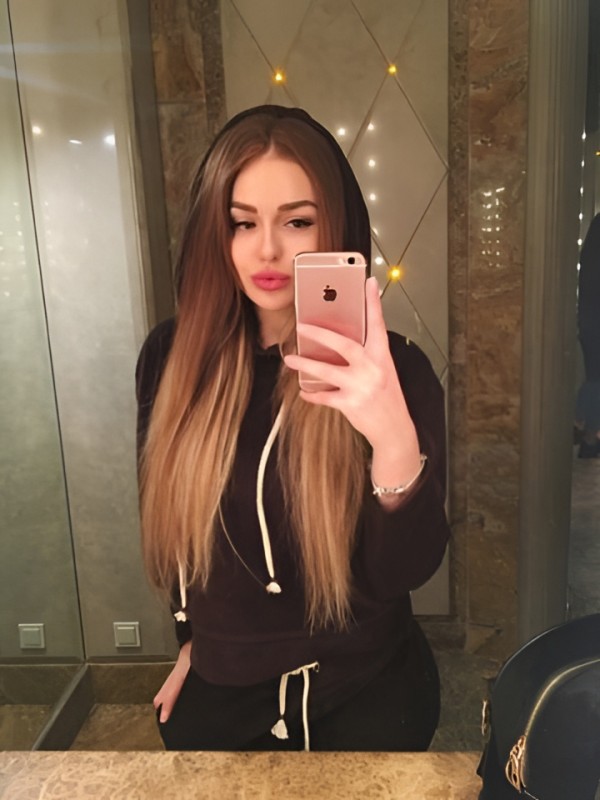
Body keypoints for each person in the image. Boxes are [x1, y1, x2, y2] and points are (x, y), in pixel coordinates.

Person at [135, 105, 450, 752]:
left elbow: (404, 572)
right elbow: (176, 531)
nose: (268, 250)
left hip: (363, 692)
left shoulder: (395, 370)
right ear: (215, 233)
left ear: (336, 228)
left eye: (297, 221)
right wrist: (193, 639)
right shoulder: (171, 359)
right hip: (222, 696)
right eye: (242, 223)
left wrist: (394, 440)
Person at [575, 213, 600, 458]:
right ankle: (589, 433)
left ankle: (586, 429)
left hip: (589, 319)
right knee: (596, 378)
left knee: (595, 376)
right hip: (594, 319)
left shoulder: (596, 229)